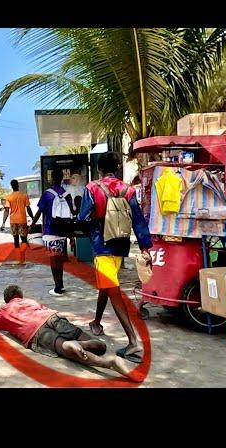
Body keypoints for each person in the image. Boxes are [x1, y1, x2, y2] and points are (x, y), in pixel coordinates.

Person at [78, 152, 152, 363]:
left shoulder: (92, 188)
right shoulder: (128, 190)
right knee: (107, 285)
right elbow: (138, 220)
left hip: (102, 245)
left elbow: (83, 217)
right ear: (117, 168)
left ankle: (133, 342)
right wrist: (146, 247)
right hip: (120, 244)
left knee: (112, 289)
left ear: (99, 169)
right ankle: (96, 322)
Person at [0, 285, 138, 380]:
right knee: (99, 347)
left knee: (62, 347)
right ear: (20, 296)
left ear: (7, 299)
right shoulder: (29, 301)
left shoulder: (2, 311)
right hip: (52, 317)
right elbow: (44, 310)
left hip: (35, 330)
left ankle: (108, 363)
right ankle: (86, 342)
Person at [30, 169, 76, 296]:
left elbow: (39, 212)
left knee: (53, 259)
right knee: (60, 259)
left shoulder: (47, 194)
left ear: (51, 178)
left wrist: (32, 225)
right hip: (62, 232)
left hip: (50, 231)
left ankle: (57, 286)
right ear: (62, 178)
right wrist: (71, 235)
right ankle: (60, 283)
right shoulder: (67, 194)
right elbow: (71, 214)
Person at [0, 179, 34, 262]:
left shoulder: (8, 197)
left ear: (11, 186)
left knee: (16, 241)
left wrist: (3, 223)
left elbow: (6, 211)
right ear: (18, 185)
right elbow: (28, 209)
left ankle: (19, 259)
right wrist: (33, 218)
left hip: (13, 221)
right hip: (22, 220)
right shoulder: (24, 195)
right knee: (24, 240)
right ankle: (22, 254)